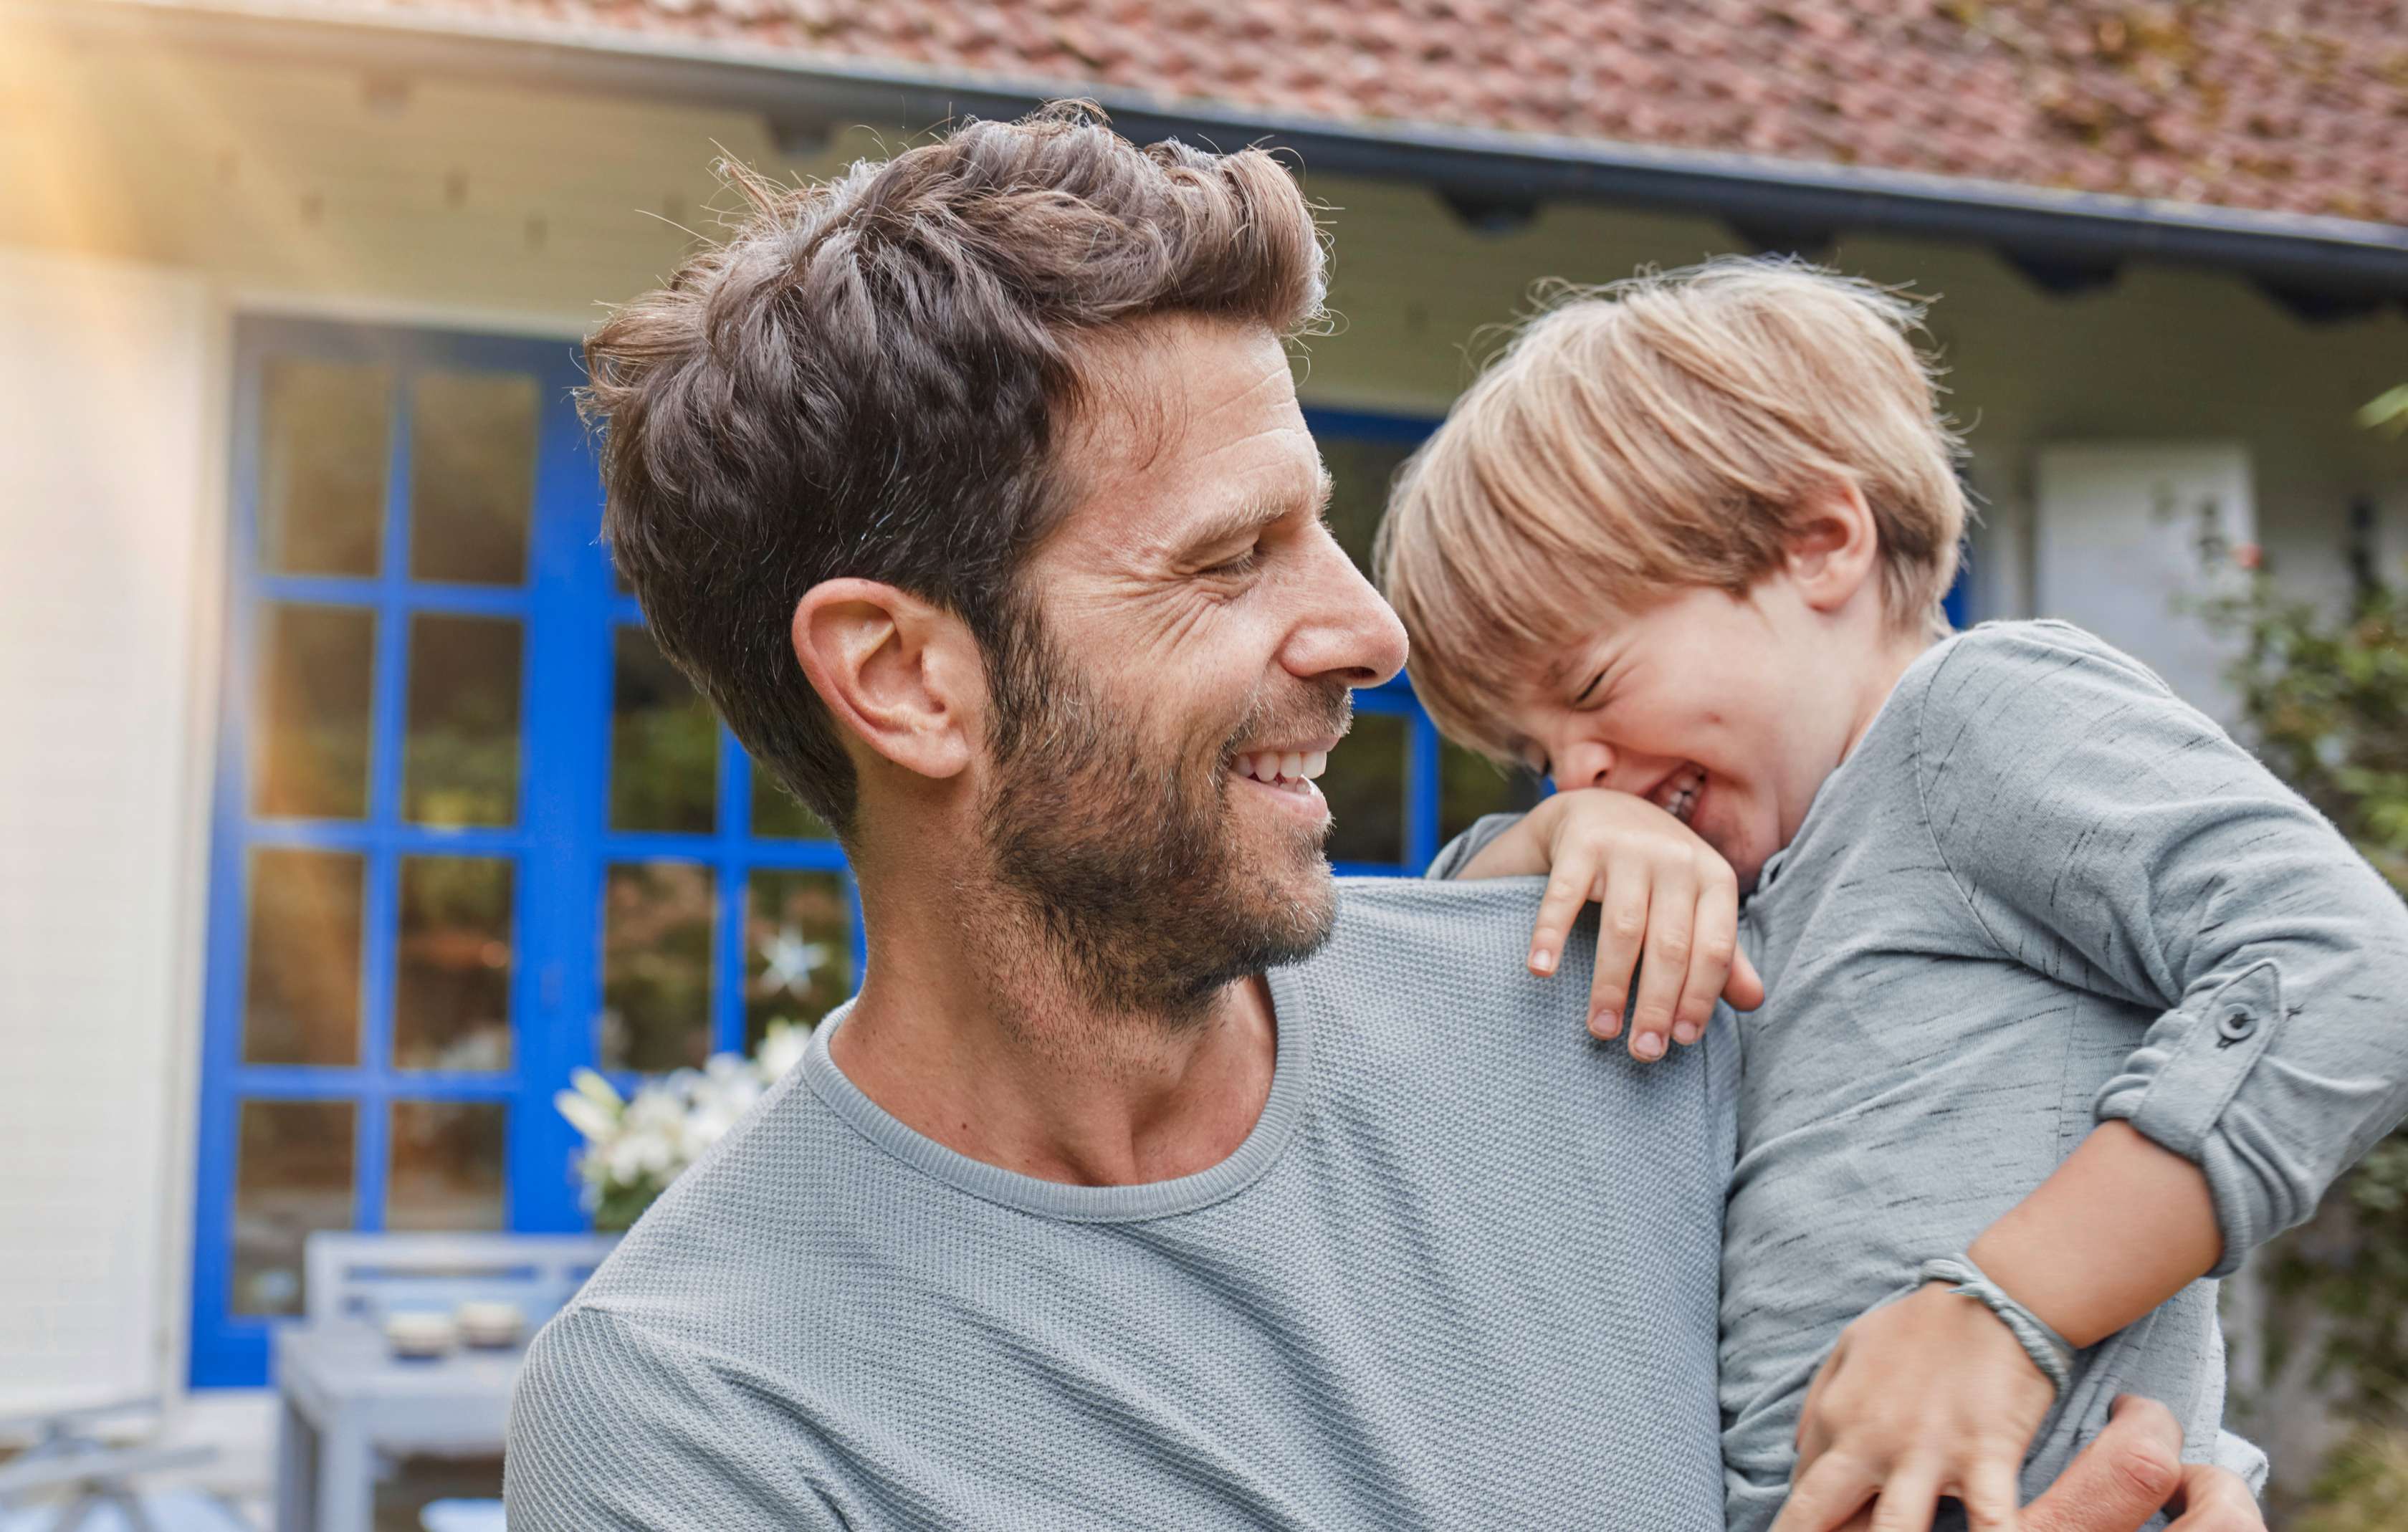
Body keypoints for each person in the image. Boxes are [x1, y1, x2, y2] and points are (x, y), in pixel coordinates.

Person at [503, 106, 2263, 1531]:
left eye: (1322, 525)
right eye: (1227, 558)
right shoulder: (700, 1422)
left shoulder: (1627, 1004)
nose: (1371, 632)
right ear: (904, 680)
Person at [1377, 259, 2408, 1531]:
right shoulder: (1730, 884)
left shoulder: (1968, 724)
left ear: (1820, 543)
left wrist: (2006, 1306)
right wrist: (1546, 839)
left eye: (1589, 690)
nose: (1576, 767)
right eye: (1533, 756)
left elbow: (2348, 969)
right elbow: (1416, 986)